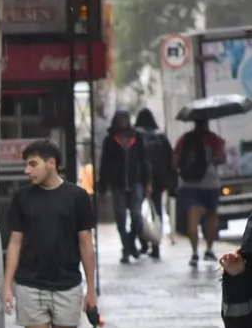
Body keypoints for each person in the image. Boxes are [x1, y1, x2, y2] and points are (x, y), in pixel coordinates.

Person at [4, 139, 97, 328]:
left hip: (68, 283)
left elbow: (86, 244)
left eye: (32, 164)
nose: (27, 170)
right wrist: (7, 285)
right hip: (30, 284)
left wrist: (91, 290)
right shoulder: (22, 199)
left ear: (51, 163)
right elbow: (15, 243)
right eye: (26, 164)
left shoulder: (78, 197)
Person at [97, 109, 152, 264]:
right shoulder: (110, 140)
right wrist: (102, 187)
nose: (123, 122)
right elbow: (105, 164)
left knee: (136, 216)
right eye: (120, 119)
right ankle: (126, 248)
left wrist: (147, 182)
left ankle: (131, 242)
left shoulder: (137, 137)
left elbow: (144, 161)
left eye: (125, 118)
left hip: (135, 182)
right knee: (120, 217)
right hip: (118, 184)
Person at [175, 118, 226, 268]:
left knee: (193, 216)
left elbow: (174, 161)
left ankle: (194, 252)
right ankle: (209, 250)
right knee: (211, 216)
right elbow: (222, 158)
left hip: (188, 184)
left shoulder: (184, 139)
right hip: (210, 183)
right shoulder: (213, 139)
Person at [134, 108, 176, 260]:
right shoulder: (160, 137)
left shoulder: (136, 135)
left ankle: (143, 242)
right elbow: (171, 161)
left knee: (137, 212)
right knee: (157, 212)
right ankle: (156, 245)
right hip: (159, 181)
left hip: (139, 179)